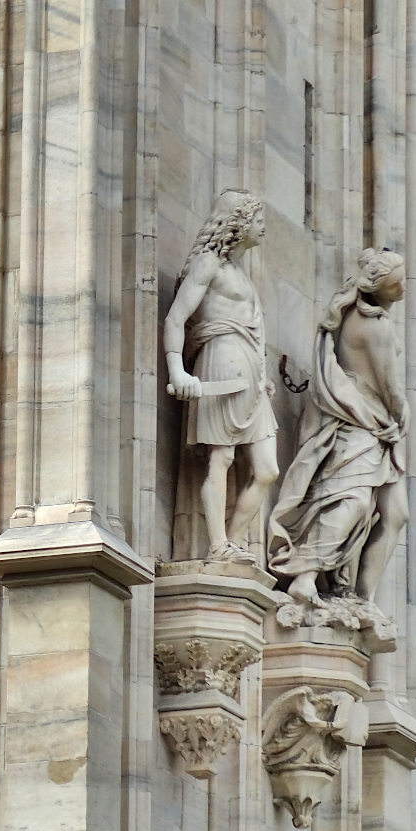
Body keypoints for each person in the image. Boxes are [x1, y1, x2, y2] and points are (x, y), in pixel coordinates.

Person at [268, 249, 408, 609]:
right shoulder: (374, 326)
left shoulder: (358, 317)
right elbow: (389, 386)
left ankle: (362, 598)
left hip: (373, 425)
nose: (405, 287)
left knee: (395, 513)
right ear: (380, 286)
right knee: (352, 499)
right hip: (360, 418)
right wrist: (401, 415)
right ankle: (305, 575)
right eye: (398, 282)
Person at [165, 189, 278, 564]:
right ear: (239, 223)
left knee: (266, 470)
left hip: (250, 375)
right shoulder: (207, 264)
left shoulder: (240, 273)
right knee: (222, 457)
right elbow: (176, 318)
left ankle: (235, 539)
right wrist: (177, 368)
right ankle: (217, 545)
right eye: (258, 220)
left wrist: (262, 375)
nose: (263, 228)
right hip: (221, 361)